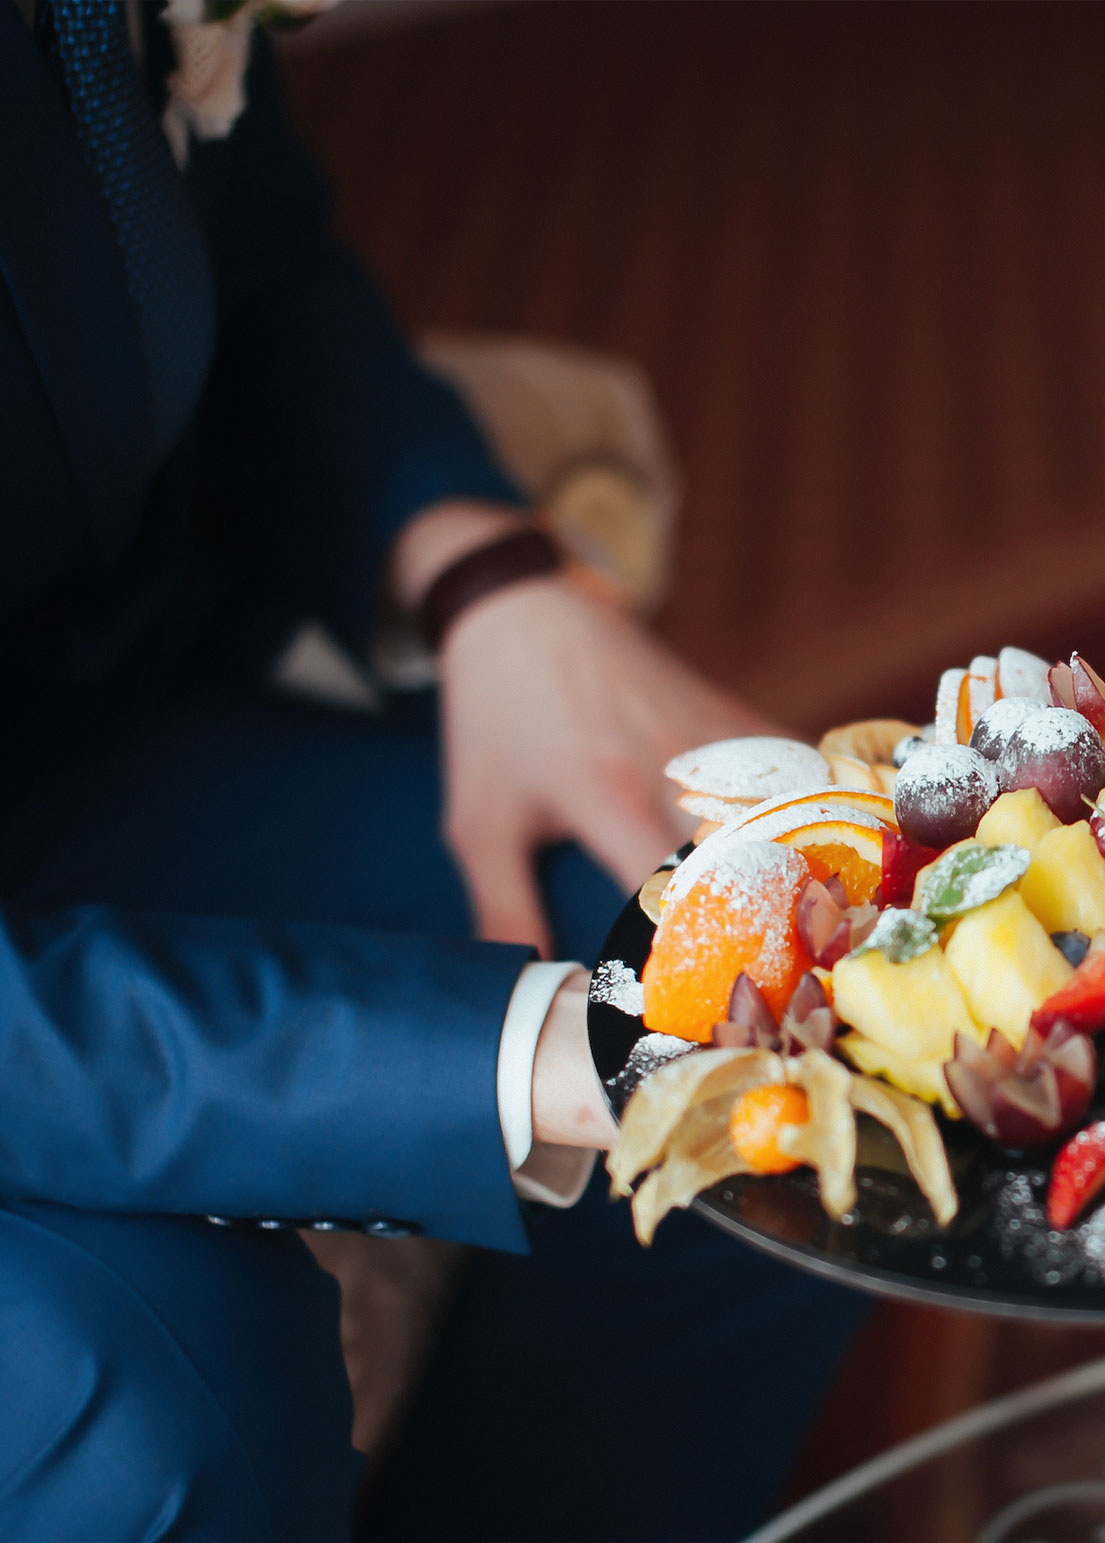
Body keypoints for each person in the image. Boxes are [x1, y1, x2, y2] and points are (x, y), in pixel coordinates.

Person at [0, 4, 864, 1537]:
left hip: (70, 747)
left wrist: (485, 579)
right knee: (154, 1397)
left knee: (743, 941)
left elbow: (255, 264)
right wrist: (514, 1057)